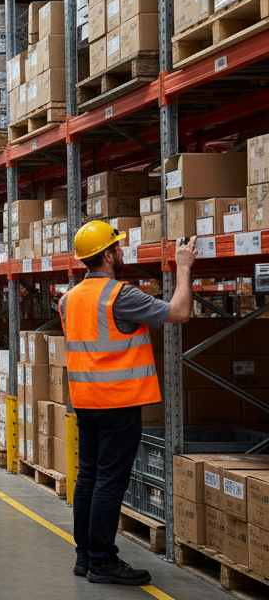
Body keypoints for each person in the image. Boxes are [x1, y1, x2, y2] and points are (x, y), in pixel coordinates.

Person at [62, 221, 193, 585]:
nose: (121, 252)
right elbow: (180, 312)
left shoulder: (68, 298)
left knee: (88, 475)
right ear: (107, 254)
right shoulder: (120, 294)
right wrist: (183, 267)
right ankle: (103, 560)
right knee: (109, 480)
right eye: (117, 247)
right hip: (118, 401)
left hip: (85, 401)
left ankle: (85, 556)